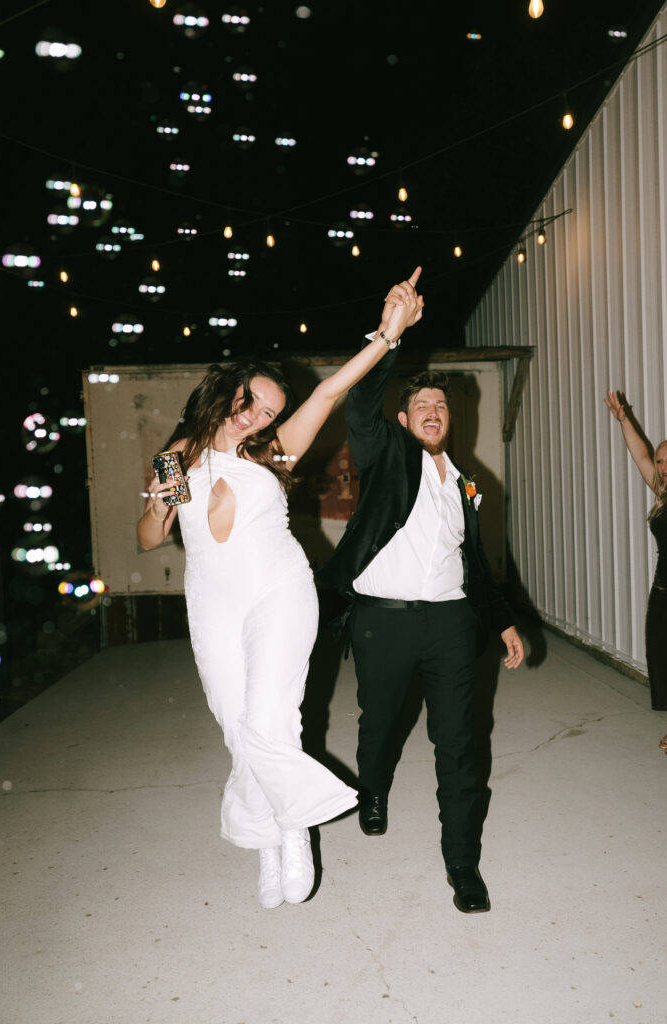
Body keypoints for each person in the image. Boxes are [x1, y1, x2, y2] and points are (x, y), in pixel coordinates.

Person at [136, 268, 424, 910]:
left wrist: (388, 333)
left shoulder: (273, 454)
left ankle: (291, 834)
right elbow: (151, 538)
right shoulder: (174, 457)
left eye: (269, 412)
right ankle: (270, 837)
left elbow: (325, 395)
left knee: (271, 719)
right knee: (238, 727)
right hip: (212, 600)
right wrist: (158, 507)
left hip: (280, 590)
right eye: (252, 405)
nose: (259, 418)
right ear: (227, 393)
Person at [317, 329, 524, 915]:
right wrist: (390, 336)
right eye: (421, 407)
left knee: (459, 743)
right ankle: (373, 789)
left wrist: (503, 621)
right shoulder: (388, 456)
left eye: (441, 406)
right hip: (383, 624)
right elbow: (359, 403)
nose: (433, 413)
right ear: (404, 420)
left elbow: (475, 563)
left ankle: (462, 864)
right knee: (379, 723)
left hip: (452, 625)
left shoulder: (465, 482)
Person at [604, 391, 667, 755]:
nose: (663, 465)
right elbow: (640, 455)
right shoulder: (664, 494)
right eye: (662, 460)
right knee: (665, 660)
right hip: (663, 592)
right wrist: (624, 420)